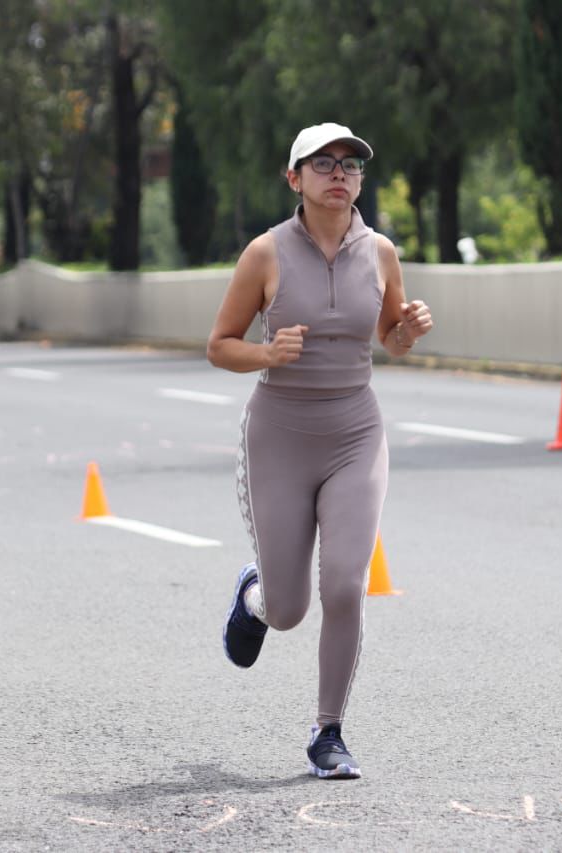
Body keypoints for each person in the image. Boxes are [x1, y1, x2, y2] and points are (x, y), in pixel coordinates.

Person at [207, 123, 433, 780]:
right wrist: (266, 353)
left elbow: (390, 338)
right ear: (294, 177)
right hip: (279, 437)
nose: (340, 174)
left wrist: (408, 330)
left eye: (351, 165)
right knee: (288, 610)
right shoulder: (265, 253)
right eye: (324, 163)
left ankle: (327, 732)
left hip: (355, 433)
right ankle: (254, 596)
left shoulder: (381, 252)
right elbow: (220, 345)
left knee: (344, 584)